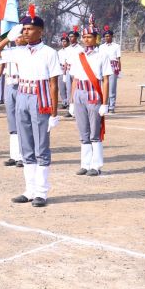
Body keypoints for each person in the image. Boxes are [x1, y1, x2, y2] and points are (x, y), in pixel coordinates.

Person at [0, 5, 61, 208]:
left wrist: (54, 113)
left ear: (40, 31)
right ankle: (29, 190)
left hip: (40, 98)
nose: (25, 32)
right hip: (22, 96)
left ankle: (42, 192)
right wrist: (7, 38)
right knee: (26, 145)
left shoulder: (49, 53)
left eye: (29, 29)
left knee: (41, 146)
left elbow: (54, 84)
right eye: (24, 29)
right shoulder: (19, 51)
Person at [67, 16, 112, 176]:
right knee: (83, 131)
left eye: (89, 37)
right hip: (79, 93)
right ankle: (85, 164)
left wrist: (105, 103)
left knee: (94, 131)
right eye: (84, 37)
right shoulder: (78, 55)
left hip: (94, 94)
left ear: (96, 38)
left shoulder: (102, 55)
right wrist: (71, 101)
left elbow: (106, 80)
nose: (86, 40)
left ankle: (96, 165)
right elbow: (74, 79)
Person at [0, 33, 27, 167]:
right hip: (10, 83)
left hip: (22, 83)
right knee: (12, 121)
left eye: (20, 36)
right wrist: (7, 38)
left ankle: (23, 155)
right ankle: (14, 155)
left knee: (22, 120)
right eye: (16, 37)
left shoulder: (28, 51)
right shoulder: (10, 51)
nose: (17, 39)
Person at [99, 26, 121, 113]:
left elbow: (118, 59)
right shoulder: (101, 47)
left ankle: (112, 106)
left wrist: (119, 71)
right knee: (104, 87)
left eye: (109, 36)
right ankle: (105, 105)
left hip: (113, 66)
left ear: (112, 36)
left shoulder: (116, 46)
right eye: (106, 36)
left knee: (112, 87)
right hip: (104, 67)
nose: (107, 37)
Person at [57, 33, 71, 110]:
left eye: (65, 41)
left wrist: (65, 70)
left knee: (68, 88)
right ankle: (64, 102)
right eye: (62, 41)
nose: (63, 43)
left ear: (68, 42)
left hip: (68, 70)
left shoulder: (70, 50)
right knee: (62, 88)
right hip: (61, 69)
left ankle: (69, 102)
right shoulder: (59, 52)